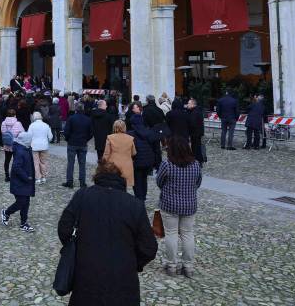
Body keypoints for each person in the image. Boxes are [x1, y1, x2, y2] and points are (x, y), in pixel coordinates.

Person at [57, 162, 157, 305]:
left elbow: (64, 229)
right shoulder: (134, 205)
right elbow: (149, 247)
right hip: (123, 280)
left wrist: (76, 250)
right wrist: (132, 263)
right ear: (121, 180)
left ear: (97, 177)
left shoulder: (82, 196)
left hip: (86, 275)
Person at [156, 137, 202, 278]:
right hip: (189, 204)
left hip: (170, 204)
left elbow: (159, 182)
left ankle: (172, 264)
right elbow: (198, 183)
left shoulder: (167, 165)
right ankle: (188, 266)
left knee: (171, 234)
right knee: (188, 234)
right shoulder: (196, 164)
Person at [0, 131, 36, 232]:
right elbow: (16, 167)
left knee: (26, 202)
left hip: (24, 182)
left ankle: (23, 223)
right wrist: (26, 177)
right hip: (20, 182)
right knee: (21, 202)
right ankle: (6, 212)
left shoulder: (25, 148)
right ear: (27, 140)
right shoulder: (21, 151)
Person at [129, 115, 160, 201]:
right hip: (148, 161)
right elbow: (156, 149)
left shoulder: (130, 134)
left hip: (136, 162)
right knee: (144, 179)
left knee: (137, 180)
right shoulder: (150, 132)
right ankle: (143, 196)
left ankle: (139, 198)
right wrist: (157, 163)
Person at [62, 105, 92, 188]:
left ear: (76, 109)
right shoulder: (88, 119)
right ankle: (82, 182)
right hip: (82, 143)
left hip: (72, 143)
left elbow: (66, 131)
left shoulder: (71, 118)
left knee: (70, 163)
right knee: (82, 164)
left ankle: (69, 181)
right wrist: (86, 139)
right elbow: (91, 133)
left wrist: (68, 139)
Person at [102, 120, 136, 191]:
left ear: (114, 127)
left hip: (113, 164)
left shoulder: (110, 137)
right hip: (126, 164)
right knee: (124, 184)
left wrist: (103, 163)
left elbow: (106, 153)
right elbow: (134, 153)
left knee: (114, 184)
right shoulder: (130, 138)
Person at [0, 109, 25, 183]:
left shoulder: (4, 123)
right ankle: (15, 175)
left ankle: (7, 176)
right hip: (16, 144)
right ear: (15, 115)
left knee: (7, 160)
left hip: (7, 144)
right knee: (16, 161)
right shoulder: (18, 123)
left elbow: (3, 132)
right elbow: (22, 133)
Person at [27, 112, 52, 184]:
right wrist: (46, 141)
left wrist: (29, 143)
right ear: (41, 117)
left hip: (34, 146)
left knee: (36, 163)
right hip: (44, 146)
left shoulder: (32, 125)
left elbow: (29, 136)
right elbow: (50, 137)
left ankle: (38, 178)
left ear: (34, 118)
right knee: (43, 162)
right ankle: (43, 177)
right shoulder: (46, 125)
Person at [186, 98, 205, 164]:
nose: (187, 105)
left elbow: (193, 123)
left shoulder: (195, 112)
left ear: (193, 104)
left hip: (195, 133)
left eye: (188, 103)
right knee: (196, 147)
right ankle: (199, 160)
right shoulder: (195, 111)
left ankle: (197, 161)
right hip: (197, 132)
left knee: (195, 147)